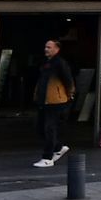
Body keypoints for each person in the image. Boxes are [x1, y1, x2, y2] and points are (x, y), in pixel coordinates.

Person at [33, 38, 75, 168]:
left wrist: (69, 95)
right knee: (41, 129)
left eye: (49, 47)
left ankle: (47, 158)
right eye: (46, 47)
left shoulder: (60, 63)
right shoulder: (46, 63)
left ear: (57, 49)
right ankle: (58, 147)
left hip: (56, 101)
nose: (46, 49)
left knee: (49, 128)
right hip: (44, 101)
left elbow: (68, 80)